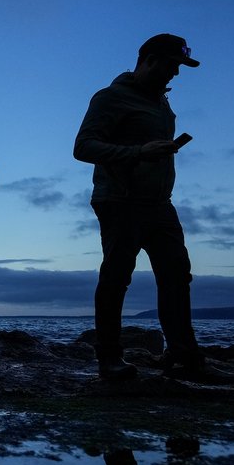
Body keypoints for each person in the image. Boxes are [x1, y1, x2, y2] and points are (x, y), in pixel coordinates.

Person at [73, 33, 205, 381]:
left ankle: (183, 355)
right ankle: (109, 359)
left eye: (179, 67)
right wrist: (138, 152)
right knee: (117, 277)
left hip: (160, 205)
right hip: (119, 202)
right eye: (171, 65)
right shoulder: (110, 98)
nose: (175, 73)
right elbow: (83, 147)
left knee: (177, 275)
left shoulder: (162, 103)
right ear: (147, 60)